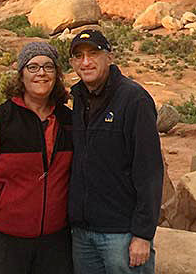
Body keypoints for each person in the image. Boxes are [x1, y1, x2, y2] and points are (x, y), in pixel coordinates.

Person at [0, 42, 73, 274]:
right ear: (21, 75)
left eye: (48, 67)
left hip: (56, 242)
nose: (41, 73)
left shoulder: (68, 120)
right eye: (32, 67)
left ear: (56, 75)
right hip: (5, 240)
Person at [68, 29, 164, 274]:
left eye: (93, 54)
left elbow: (149, 171)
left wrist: (143, 235)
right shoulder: (78, 99)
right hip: (83, 233)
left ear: (109, 57)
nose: (86, 62)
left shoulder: (134, 100)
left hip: (121, 234)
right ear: (72, 63)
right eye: (79, 56)